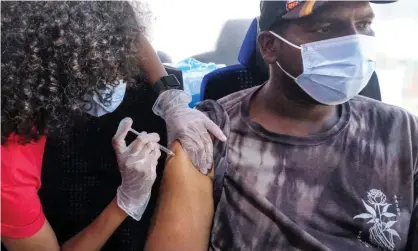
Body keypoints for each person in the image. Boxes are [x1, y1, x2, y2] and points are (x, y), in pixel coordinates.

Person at [144, 1, 418, 251]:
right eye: (325, 28)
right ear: (269, 47)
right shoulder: (210, 135)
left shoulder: (402, 131)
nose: (355, 43)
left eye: (364, 24)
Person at [1, 1, 224, 251]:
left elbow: (123, 31)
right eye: (100, 76)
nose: (117, 81)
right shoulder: (8, 175)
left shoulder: (61, 30)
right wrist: (126, 200)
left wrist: (169, 96)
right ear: (53, 78)